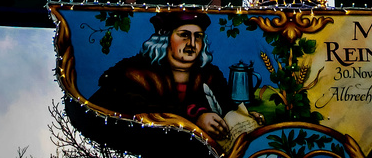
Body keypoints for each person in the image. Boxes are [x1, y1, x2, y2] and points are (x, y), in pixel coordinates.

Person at [91, 10, 253, 142]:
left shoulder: (210, 75)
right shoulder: (132, 74)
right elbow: (132, 112)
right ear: (165, 39)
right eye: (184, 35)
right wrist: (194, 117)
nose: (191, 43)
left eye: (198, 36)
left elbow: (226, 106)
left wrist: (246, 118)